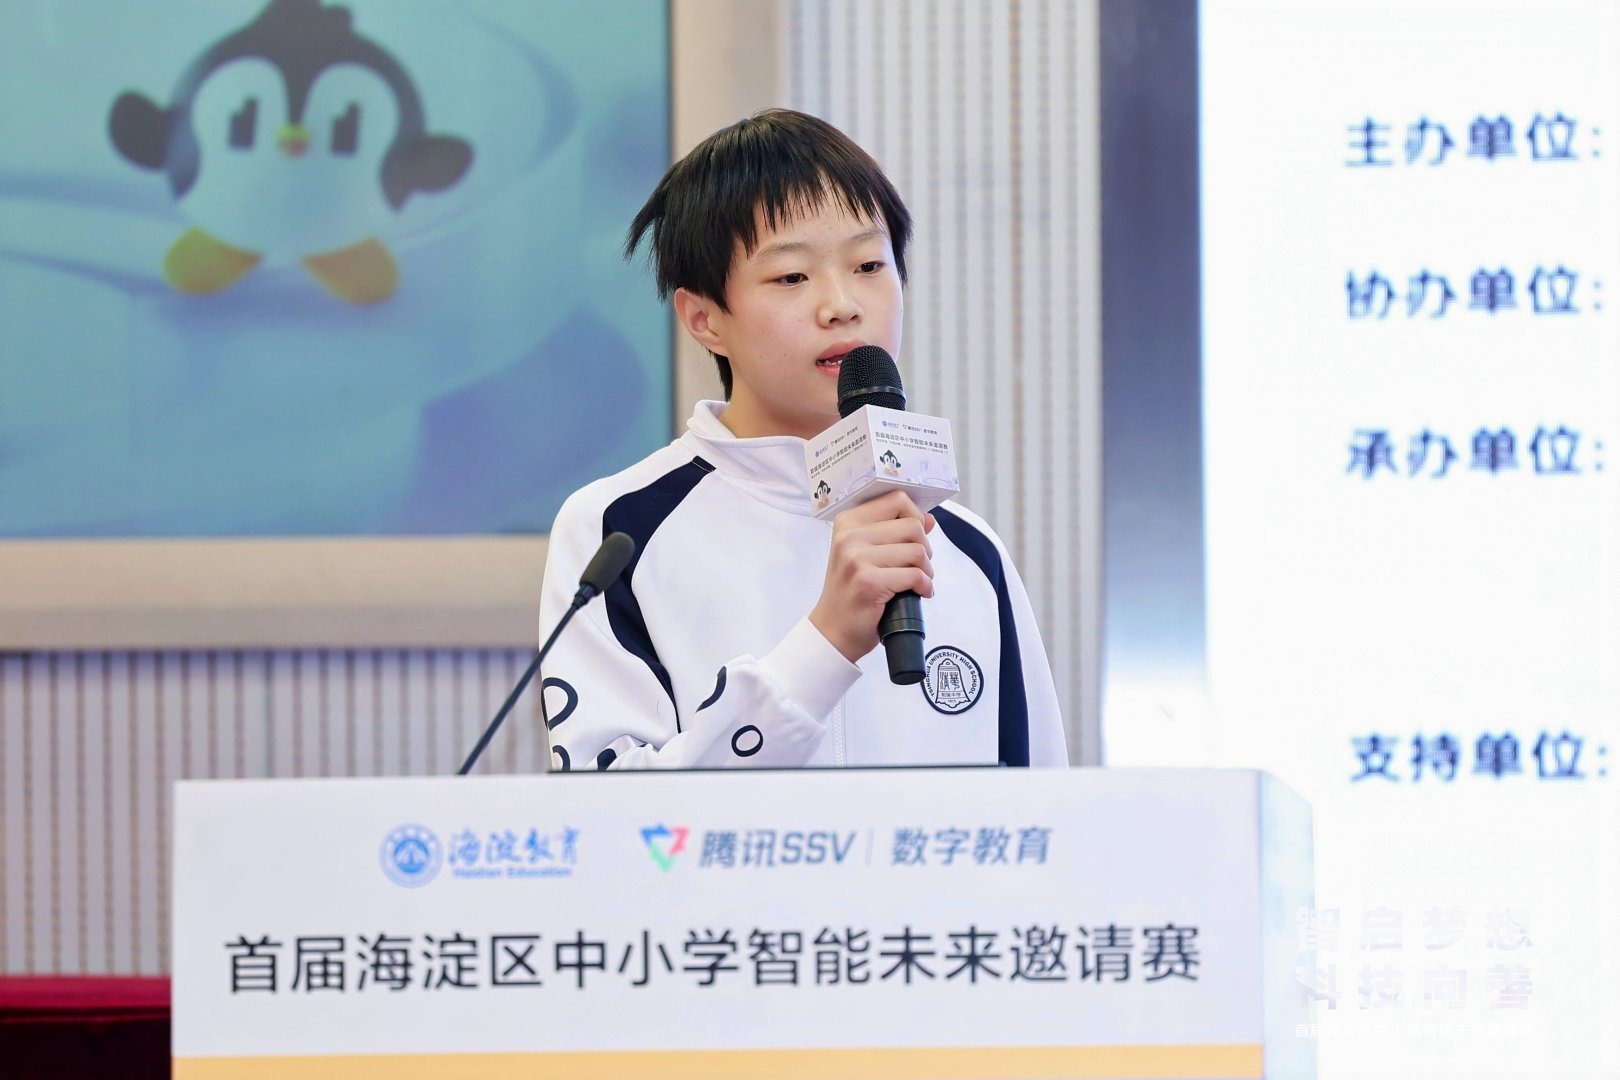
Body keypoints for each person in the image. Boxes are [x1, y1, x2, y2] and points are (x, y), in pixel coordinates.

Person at [537, 109, 1067, 770]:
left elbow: (1045, 811)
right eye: (792, 276)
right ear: (704, 318)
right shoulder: (615, 531)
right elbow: (609, 818)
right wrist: (826, 643)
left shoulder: (969, 552)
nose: (842, 304)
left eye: (869, 264)